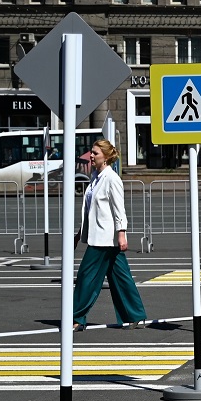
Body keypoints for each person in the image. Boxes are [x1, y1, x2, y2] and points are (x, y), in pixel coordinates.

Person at [73, 139, 147, 331]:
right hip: (98, 236)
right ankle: (136, 316)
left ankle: (77, 318)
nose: (91, 155)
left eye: (95, 153)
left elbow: (118, 209)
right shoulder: (96, 177)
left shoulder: (112, 178)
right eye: (91, 152)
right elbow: (91, 209)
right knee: (121, 278)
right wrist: (80, 233)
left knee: (85, 277)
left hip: (105, 238)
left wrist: (121, 234)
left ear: (105, 157)